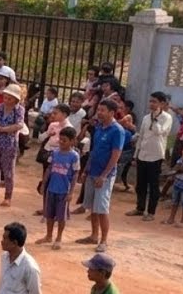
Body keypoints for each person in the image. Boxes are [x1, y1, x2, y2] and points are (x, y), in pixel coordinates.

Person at [75, 99, 126, 253]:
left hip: (105, 175)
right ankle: (93, 236)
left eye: (103, 110)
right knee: (93, 208)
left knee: (102, 208)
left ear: (111, 112)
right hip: (93, 172)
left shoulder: (117, 130)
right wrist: (86, 170)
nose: (100, 113)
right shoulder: (99, 127)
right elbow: (94, 150)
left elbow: (115, 155)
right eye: (99, 110)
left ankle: (103, 240)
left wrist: (104, 175)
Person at [128, 91, 173, 221]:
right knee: (140, 184)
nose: (151, 104)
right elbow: (141, 136)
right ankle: (140, 208)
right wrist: (136, 154)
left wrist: (156, 118)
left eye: (155, 101)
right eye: (151, 101)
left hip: (156, 155)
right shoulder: (146, 118)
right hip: (143, 154)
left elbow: (161, 132)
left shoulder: (167, 118)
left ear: (162, 103)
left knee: (153, 185)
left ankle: (151, 212)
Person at [39, 127, 81, 249]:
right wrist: (43, 184)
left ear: (72, 141)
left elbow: (75, 174)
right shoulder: (55, 153)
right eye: (60, 140)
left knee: (61, 216)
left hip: (64, 191)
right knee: (49, 214)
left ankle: (58, 238)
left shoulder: (74, 156)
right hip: (51, 188)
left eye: (65, 140)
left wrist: (71, 192)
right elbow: (49, 168)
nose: (61, 142)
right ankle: (48, 235)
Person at [0, 83, 26, 206]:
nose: (6, 100)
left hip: (10, 143)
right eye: (5, 97)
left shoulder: (19, 109)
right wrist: (5, 129)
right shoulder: (0, 107)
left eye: (9, 98)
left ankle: (8, 196)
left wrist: (1, 129)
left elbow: (19, 125)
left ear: (16, 99)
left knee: (8, 170)